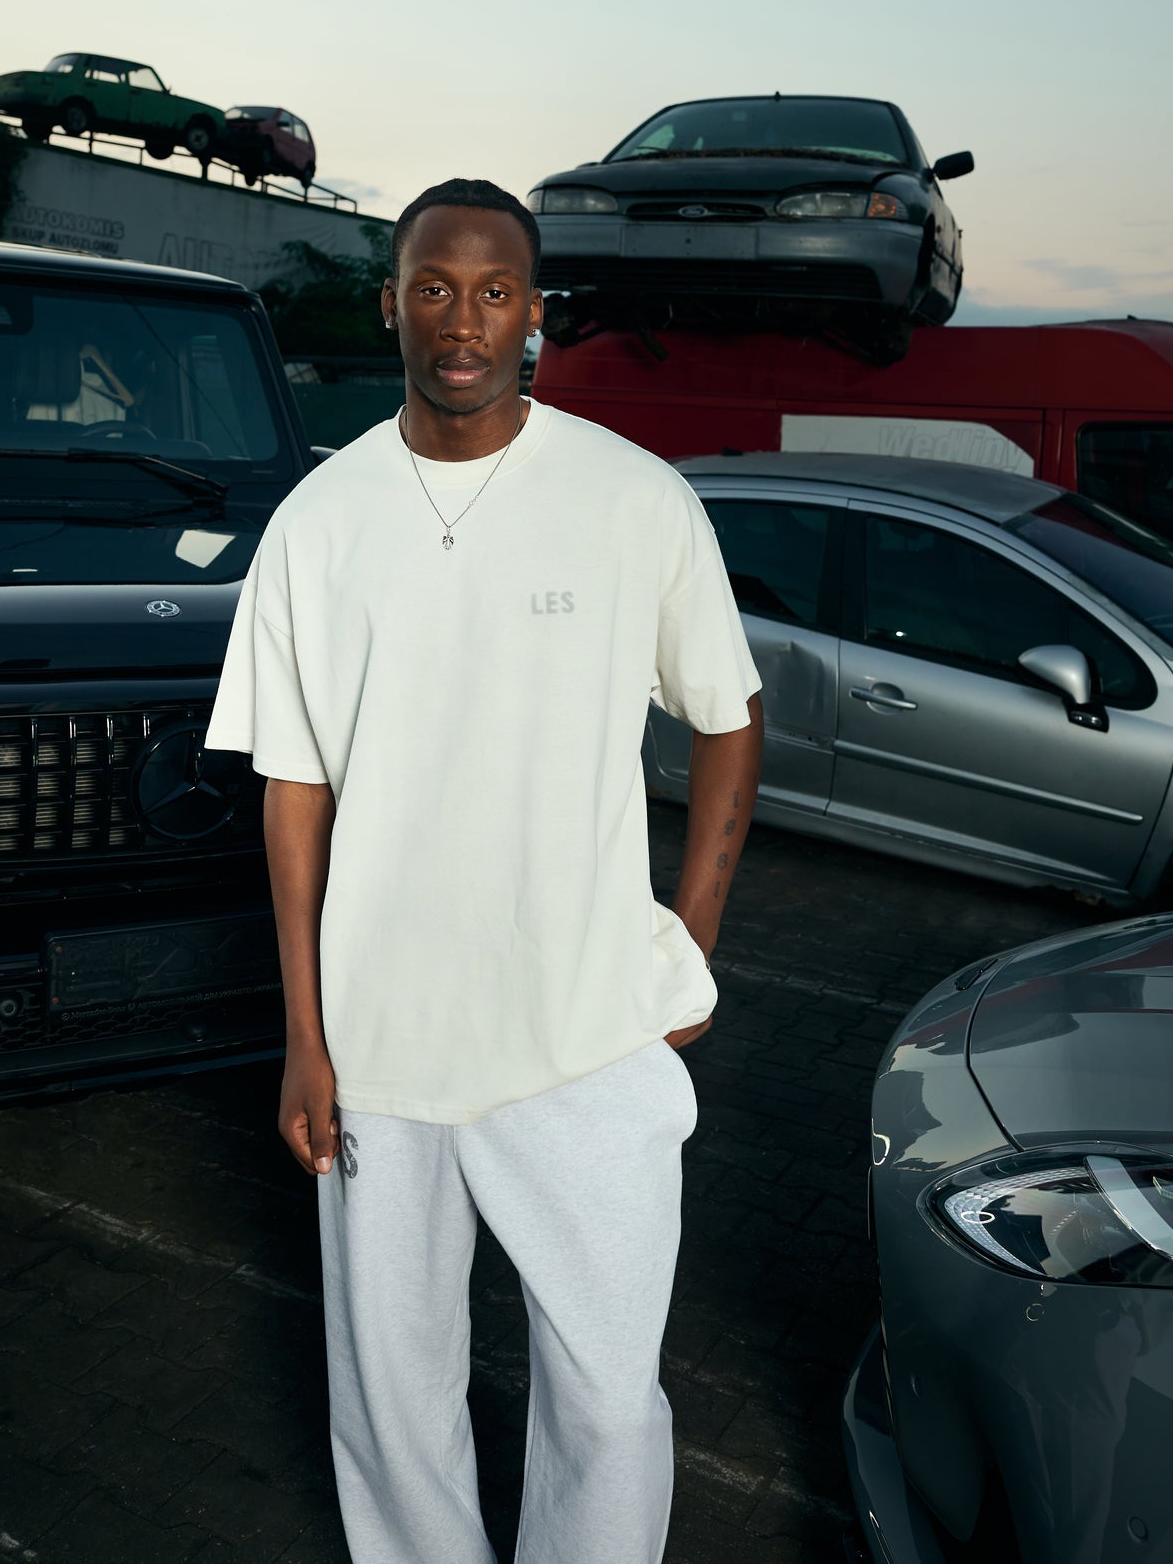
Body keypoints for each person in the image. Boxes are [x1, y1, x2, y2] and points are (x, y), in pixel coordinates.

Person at [206, 177, 763, 1564]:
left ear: (535, 316)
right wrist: (305, 1038)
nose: (463, 320)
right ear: (390, 306)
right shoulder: (319, 521)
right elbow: (293, 793)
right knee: (392, 1403)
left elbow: (728, 717)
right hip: (380, 1044)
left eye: (494, 292)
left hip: (583, 1035)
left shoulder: (632, 497)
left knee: (607, 1400)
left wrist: (688, 939)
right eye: (435, 289)